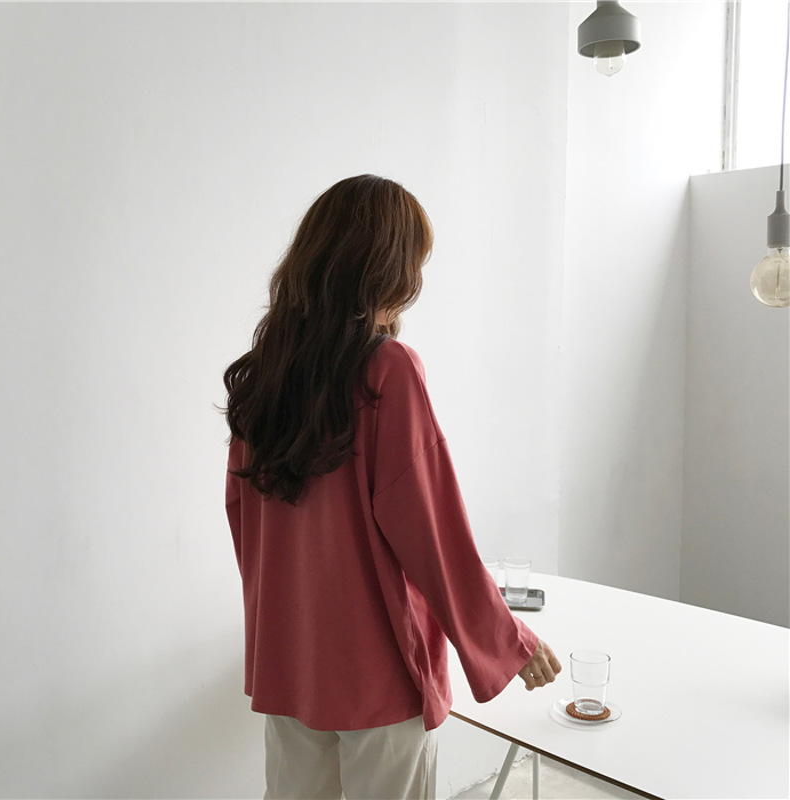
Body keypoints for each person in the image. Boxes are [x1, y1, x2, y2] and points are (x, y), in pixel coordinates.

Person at [223, 174, 561, 800]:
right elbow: (431, 532)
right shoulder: (387, 370)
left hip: (291, 657)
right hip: (378, 666)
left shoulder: (265, 377)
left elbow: (246, 524)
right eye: (415, 263)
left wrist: (280, 623)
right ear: (384, 269)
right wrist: (506, 640)